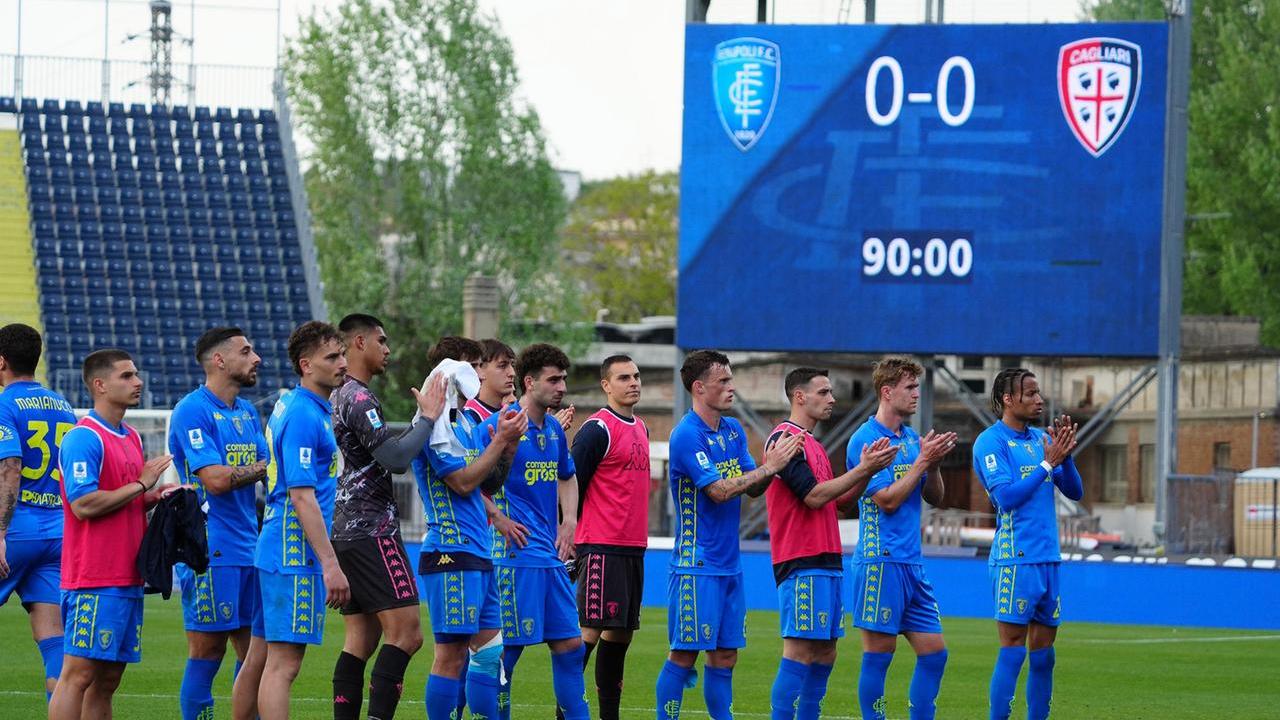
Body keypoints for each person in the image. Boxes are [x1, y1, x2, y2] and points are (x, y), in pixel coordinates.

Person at [655, 349, 804, 720]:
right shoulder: (687, 435)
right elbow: (718, 491)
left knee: (725, 655)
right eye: (723, 381)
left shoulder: (734, 430)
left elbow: (753, 487)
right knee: (684, 653)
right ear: (699, 387)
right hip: (697, 564)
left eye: (731, 379)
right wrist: (770, 466)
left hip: (729, 564)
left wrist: (777, 465)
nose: (731, 387)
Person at [330, 314, 448, 720]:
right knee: (408, 634)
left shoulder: (336, 395)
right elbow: (396, 459)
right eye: (381, 341)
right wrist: (428, 418)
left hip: (345, 528)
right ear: (358, 342)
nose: (388, 349)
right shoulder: (359, 398)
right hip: (371, 529)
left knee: (360, 639)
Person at [48, 349, 175, 720]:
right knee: (78, 675)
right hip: (93, 576)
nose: (137, 382)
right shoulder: (83, 438)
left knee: (107, 680)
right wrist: (141, 484)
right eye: (127, 376)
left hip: (127, 575)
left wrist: (155, 497)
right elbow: (83, 504)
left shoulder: (131, 437)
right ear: (99, 385)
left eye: (135, 374)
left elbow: (126, 499)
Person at [765, 367, 897, 720]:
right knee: (799, 651)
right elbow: (812, 496)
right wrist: (861, 469)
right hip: (801, 559)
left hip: (827, 560)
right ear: (800, 397)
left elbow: (837, 502)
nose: (832, 399)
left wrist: (869, 470)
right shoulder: (784, 440)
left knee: (825, 653)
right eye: (823, 392)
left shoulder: (815, 445)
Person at [413, 335, 527, 720]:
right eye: (475, 365)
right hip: (450, 551)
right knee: (450, 655)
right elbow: (461, 482)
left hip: (476, 550)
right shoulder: (431, 425)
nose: (479, 373)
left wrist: (506, 450)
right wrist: (500, 444)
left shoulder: (462, 424)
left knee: (491, 651)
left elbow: (486, 484)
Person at [480, 343, 591, 720]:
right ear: (529, 382)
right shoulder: (500, 425)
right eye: (553, 379)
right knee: (505, 654)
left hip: (548, 557)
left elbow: (568, 475)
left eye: (563, 379)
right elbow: (464, 481)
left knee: (571, 646)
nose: (561, 387)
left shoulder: (555, 433)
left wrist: (570, 521)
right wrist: (497, 516)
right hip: (514, 557)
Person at [846, 357, 957, 720]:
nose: (916, 395)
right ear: (886, 391)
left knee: (935, 653)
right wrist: (923, 463)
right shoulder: (865, 440)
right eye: (909, 387)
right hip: (882, 561)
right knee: (880, 655)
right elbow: (889, 501)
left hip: (912, 563)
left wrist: (934, 465)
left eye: (917, 387)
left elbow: (935, 497)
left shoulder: (911, 440)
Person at [168, 327, 270, 720]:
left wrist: (263, 469)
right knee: (207, 651)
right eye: (246, 351)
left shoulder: (246, 412)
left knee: (254, 654)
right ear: (219, 360)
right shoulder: (192, 410)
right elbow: (215, 479)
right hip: (210, 548)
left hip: (250, 545)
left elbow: (264, 472)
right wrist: (263, 468)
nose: (256, 357)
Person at [253, 321, 350, 720]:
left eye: (343, 354)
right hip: (291, 550)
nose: (343, 363)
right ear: (306, 365)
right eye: (332, 357)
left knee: (262, 659)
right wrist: (330, 564)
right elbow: (301, 494)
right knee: (284, 665)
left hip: (280, 544)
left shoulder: (300, 407)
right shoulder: (304, 416)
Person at [973, 369, 1082, 720]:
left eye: (1039, 393)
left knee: (1045, 655)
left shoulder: (1039, 439)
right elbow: (1006, 497)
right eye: (1031, 393)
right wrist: (1048, 462)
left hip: (1048, 557)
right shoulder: (992, 442)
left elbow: (1075, 492)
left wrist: (1066, 456)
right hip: (1015, 560)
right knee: (1013, 651)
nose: (1040, 400)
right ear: (1008, 399)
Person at [569, 354, 652, 720]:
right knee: (588, 635)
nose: (633, 382)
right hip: (602, 546)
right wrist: (570, 539)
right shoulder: (596, 429)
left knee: (619, 638)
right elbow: (570, 484)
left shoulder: (643, 428)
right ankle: (565, 711)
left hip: (633, 548)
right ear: (606, 385)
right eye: (623, 378)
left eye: (636, 376)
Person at [0, 324, 77, 702]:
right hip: (58, 533)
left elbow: (10, 466)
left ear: (1, 361)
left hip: (15, 531)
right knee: (55, 643)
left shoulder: (4, 405)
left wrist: (0, 534)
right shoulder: (62, 405)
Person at [464, 338, 517, 424]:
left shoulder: (511, 413)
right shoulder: (469, 414)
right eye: (502, 366)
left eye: (512, 365)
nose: (512, 373)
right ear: (480, 369)